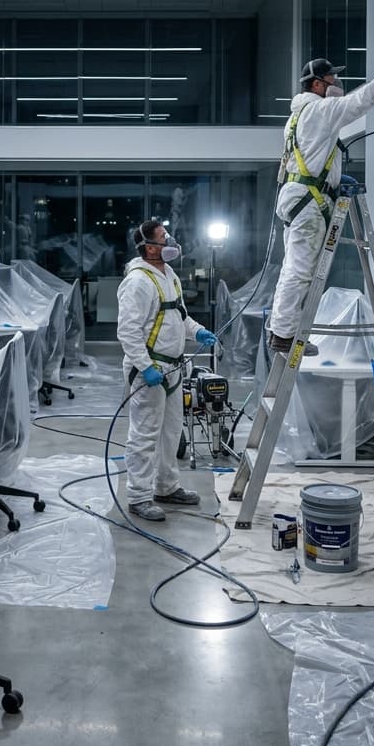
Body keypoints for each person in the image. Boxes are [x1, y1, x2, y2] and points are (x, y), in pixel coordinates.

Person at [267, 51, 374, 355]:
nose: (337, 81)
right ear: (318, 84)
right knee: (299, 271)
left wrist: (334, 181)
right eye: (333, 78)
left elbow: (311, 156)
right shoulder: (320, 111)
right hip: (308, 203)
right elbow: (362, 100)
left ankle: (283, 328)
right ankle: (283, 334)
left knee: (293, 270)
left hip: (299, 197)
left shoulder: (298, 116)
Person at [117, 219, 217, 521]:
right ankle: (138, 496)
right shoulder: (137, 282)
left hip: (173, 368)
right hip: (149, 370)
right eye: (164, 237)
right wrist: (145, 367)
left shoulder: (168, 274)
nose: (171, 240)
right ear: (150, 247)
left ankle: (166, 486)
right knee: (145, 434)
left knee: (171, 433)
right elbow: (128, 332)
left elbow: (178, 316)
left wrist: (198, 332)